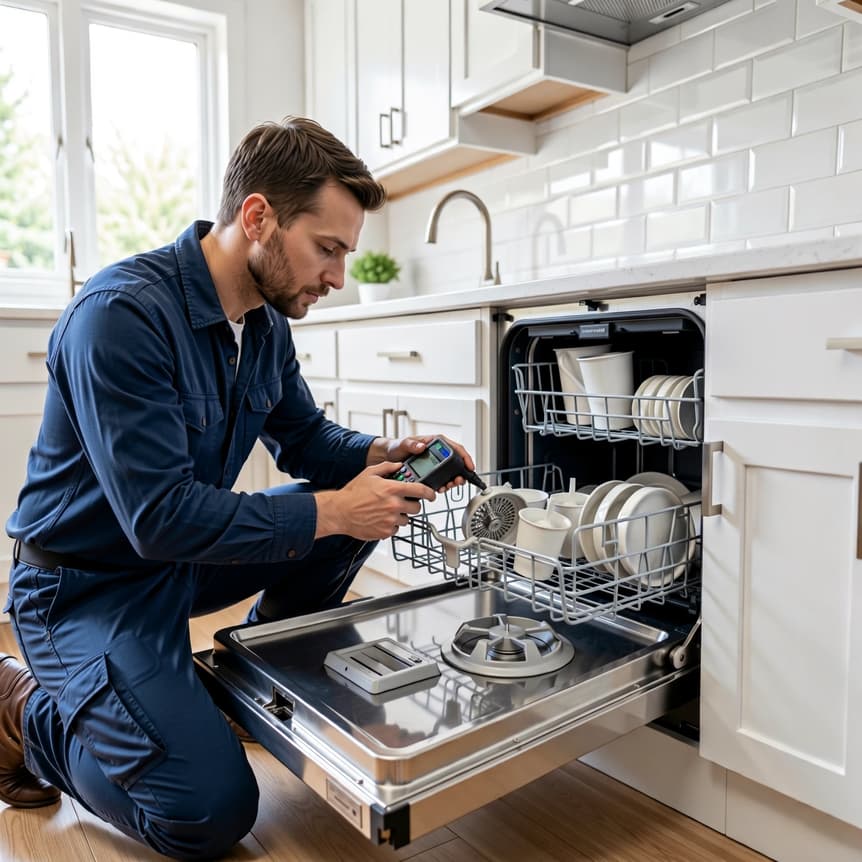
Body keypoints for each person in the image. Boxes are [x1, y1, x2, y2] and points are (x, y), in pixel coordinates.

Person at [0, 116, 477, 859]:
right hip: (83, 590)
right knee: (207, 813)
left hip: (176, 568)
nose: (336, 277)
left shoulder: (261, 325)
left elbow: (308, 441)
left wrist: (385, 453)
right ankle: (24, 713)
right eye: (327, 249)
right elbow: (157, 518)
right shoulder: (119, 318)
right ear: (258, 218)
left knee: (354, 513)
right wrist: (333, 507)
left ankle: (249, 685)